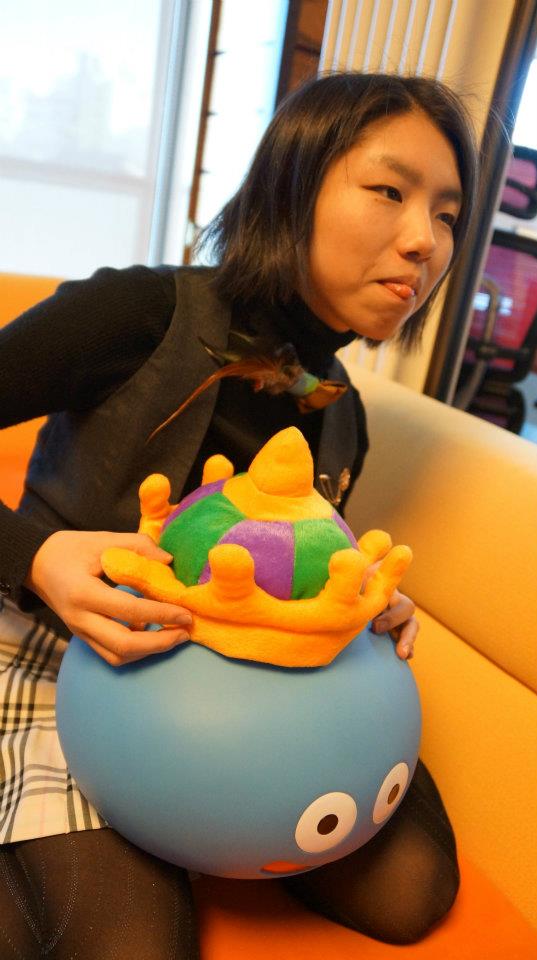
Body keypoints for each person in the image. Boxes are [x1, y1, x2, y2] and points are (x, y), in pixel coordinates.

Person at [0, 71, 478, 958]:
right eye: (389, 190)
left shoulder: (341, 412)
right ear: (290, 185)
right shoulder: (139, 312)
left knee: (410, 887)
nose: (424, 240)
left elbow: (279, 572)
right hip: (58, 650)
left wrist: (353, 601)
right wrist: (34, 555)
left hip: (231, 698)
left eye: (447, 214)